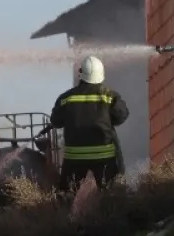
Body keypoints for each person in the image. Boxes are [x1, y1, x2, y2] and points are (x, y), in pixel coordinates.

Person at [49, 55, 129, 194]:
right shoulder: (110, 96)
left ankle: (62, 214)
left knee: (67, 196)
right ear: (102, 73)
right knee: (112, 194)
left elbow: (55, 121)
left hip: (74, 159)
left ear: (81, 73)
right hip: (104, 157)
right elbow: (122, 116)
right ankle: (112, 212)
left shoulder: (66, 98)